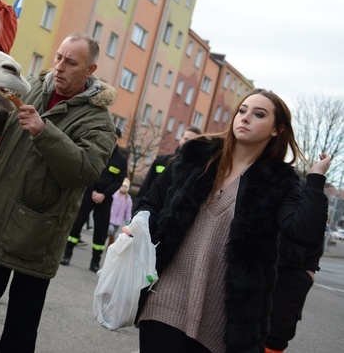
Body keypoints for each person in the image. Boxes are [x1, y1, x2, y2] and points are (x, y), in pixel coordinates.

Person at [0, 33, 117, 353]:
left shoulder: (98, 119)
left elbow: (84, 171)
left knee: (20, 329)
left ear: (90, 70)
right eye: (59, 57)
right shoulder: (33, 88)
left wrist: (44, 132)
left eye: (71, 62)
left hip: (39, 236)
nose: (60, 67)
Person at [133, 89, 330, 353]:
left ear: (276, 129)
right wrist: (137, 228)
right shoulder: (197, 156)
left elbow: (303, 232)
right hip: (165, 297)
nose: (245, 118)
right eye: (242, 110)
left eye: (258, 114)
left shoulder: (278, 181)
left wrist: (316, 179)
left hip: (223, 318)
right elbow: (151, 201)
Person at [265, 177, 326, 353]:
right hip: (261, 266)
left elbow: (317, 232)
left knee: (276, 336)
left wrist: (309, 271)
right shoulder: (264, 179)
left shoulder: (305, 186)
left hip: (293, 272)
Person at [60, 127, 128, 271]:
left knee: (101, 230)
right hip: (89, 192)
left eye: (115, 137)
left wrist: (104, 195)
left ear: (118, 139)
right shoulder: (97, 150)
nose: (112, 139)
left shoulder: (121, 160)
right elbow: (88, 169)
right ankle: (66, 254)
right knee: (77, 223)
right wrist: (93, 191)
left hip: (106, 198)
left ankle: (95, 262)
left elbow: (118, 181)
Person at [132, 125, 201, 214]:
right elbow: (145, 188)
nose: (188, 143)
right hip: (149, 212)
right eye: (186, 139)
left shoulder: (197, 172)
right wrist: (135, 213)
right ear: (180, 140)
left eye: (193, 141)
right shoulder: (161, 161)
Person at [107, 177, 133, 247]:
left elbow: (128, 212)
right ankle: (103, 238)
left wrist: (128, 221)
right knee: (110, 230)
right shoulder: (114, 195)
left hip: (118, 221)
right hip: (110, 218)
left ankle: (110, 245)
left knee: (113, 234)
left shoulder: (128, 199)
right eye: (123, 186)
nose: (124, 188)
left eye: (126, 187)